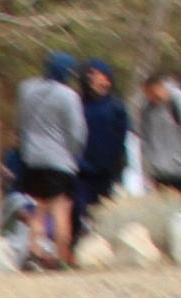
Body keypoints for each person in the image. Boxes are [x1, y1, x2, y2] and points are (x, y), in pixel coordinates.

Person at [16, 54, 87, 266]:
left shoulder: (28, 90)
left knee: (39, 208)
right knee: (61, 209)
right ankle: (62, 256)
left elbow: (22, 123)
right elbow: (76, 132)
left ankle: (34, 252)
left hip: (32, 158)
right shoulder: (68, 96)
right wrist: (74, 154)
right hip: (58, 159)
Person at [77, 61, 130, 233]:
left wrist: (118, 166)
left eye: (106, 79)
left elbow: (122, 137)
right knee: (80, 211)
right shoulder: (77, 104)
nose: (103, 83)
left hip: (108, 171)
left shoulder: (116, 106)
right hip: (82, 170)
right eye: (97, 78)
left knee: (104, 214)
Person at [138, 75, 181, 196]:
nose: (150, 96)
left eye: (152, 91)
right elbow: (145, 138)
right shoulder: (147, 108)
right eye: (147, 93)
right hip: (160, 175)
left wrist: (179, 158)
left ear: (161, 86)